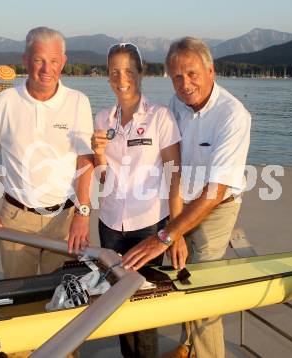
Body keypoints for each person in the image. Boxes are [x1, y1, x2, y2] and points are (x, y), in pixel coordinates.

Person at [122, 37, 251, 358]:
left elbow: (215, 192)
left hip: (215, 208)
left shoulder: (233, 116)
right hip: (179, 201)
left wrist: (166, 235)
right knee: (181, 276)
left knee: (202, 292)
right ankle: (188, 346)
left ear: (211, 71)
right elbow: (170, 165)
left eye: (192, 74)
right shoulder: (176, 106)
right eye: (177, 77)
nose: (185, 84)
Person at [0, 26, 94, 279]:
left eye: (53, 61)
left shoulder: (78, 101)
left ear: (63, 63)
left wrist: (83, 214)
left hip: (64, 218)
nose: (46, 69)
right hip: (16, 218)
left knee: (63, 293)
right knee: (18, 296)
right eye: (38, 60)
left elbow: (85, 160)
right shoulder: (4, 102)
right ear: (25, 60)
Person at [91, 42, 183, 358]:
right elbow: (103, 177)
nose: (122, 78)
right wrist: (99, 155)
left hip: (149, 225)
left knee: (144, 308)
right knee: (118, 302)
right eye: (115, 71)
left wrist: (177, 230)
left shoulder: (161, 116)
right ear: (107, 77)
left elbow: (175, 174)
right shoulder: (103, 118)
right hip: (110, 226)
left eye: (129, 70)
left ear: (141, 73)